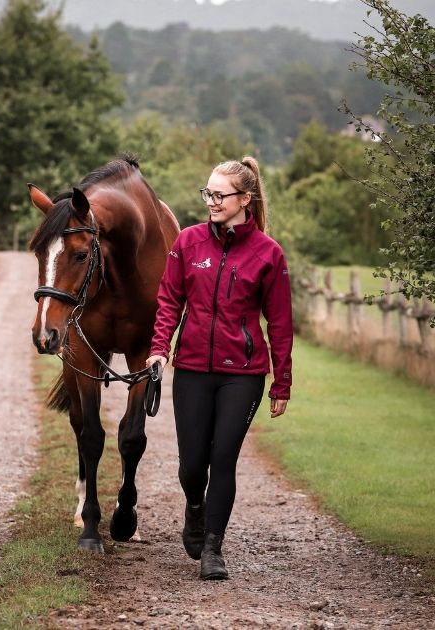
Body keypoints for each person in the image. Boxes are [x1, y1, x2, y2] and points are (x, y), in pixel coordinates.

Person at [146, 156, 293, 580]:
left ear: (245, 198)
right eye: (207, 193)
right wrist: (160, 349)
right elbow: (170, 300)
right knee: (193, 465)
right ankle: (195, 506)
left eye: (219, 194)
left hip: (242, 375)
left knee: (223, 458)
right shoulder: (187, 243)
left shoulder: (268, 254)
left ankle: (214, 547)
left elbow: (280, 323)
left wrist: (281, 382)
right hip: (192, 368)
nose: (211, 201)